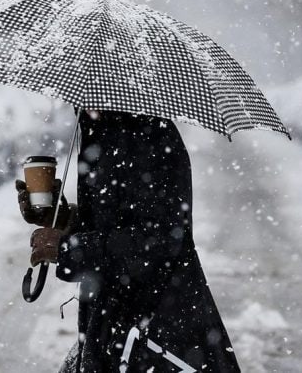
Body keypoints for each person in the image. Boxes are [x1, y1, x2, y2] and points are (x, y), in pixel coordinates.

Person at [16, 110, 240, 372]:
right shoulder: (103, 127)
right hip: (116, 326)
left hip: (152, 329)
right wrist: (61, 218)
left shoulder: (146, 135)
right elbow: (116, 220)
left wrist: (69, 249)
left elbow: (159, 240)